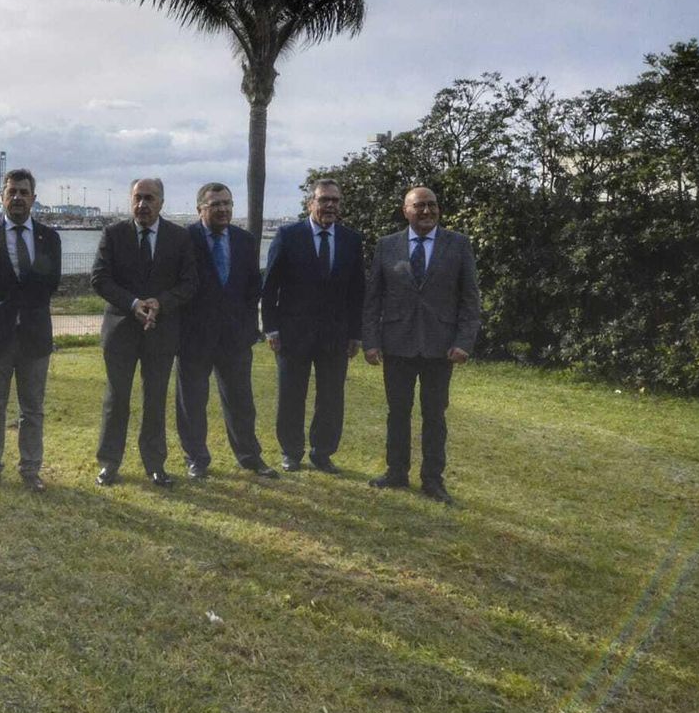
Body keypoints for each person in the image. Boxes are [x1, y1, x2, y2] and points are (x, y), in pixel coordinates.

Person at [362, 186, 481, 505]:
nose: (427, 212)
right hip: (397, 345)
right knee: (397, 413)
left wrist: (464, 342)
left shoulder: (457, 244)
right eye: (419, 206)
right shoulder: (387, 246)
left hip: (440, 348)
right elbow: (373, 299)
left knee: (434, 416)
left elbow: (471, 299)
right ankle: (396, 473)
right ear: (406, 210)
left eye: (432, 205)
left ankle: (433, 480)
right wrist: (371, 341)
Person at [91, 177, 198, 487]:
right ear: (130, 200)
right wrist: (134, 303)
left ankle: (155, 464)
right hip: (121, 332)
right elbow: (99, 278)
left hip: (161, 333)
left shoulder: (179, 238)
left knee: (155, 401)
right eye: (138, 197)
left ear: (161, 202)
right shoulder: (114, 234)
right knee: (117, 399)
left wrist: (159, 304)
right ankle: (109, 463)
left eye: (149, 198)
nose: (143, 204)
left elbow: (190, 283)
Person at [260, 178, 365, 473]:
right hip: (292, 334)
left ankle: (322, 453)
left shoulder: (351, 240)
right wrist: (271, 328)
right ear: (311, 203)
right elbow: (270, 288)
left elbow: (358, 290)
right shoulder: (287, 235)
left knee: (331, 398)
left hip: (336, 335)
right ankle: (291, 452)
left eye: (335, 200)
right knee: (291, 395)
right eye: (324, 200)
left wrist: (356, 333)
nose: (330, 205)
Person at [175, 182, 277, 479]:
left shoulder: (245, 240)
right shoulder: (185, 239)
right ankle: (196, 458)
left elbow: (251, 288)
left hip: (235, 338)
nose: (223, 209)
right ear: (200, 209)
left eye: (227, 204)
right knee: (192, 401)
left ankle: (249, 456)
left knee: (241, 401)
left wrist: (248, 328)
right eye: (215, 204)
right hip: (194, 338)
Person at [0, 169, 61, 492]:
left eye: (24, 192)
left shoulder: (49, 238)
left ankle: (30, 468)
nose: (18, 197)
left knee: (32, 408)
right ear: (3, 197)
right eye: (12, 192)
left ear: (33, 198)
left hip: (35, 334)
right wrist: (1, 310)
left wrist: (25, 311)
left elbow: (51, 283)